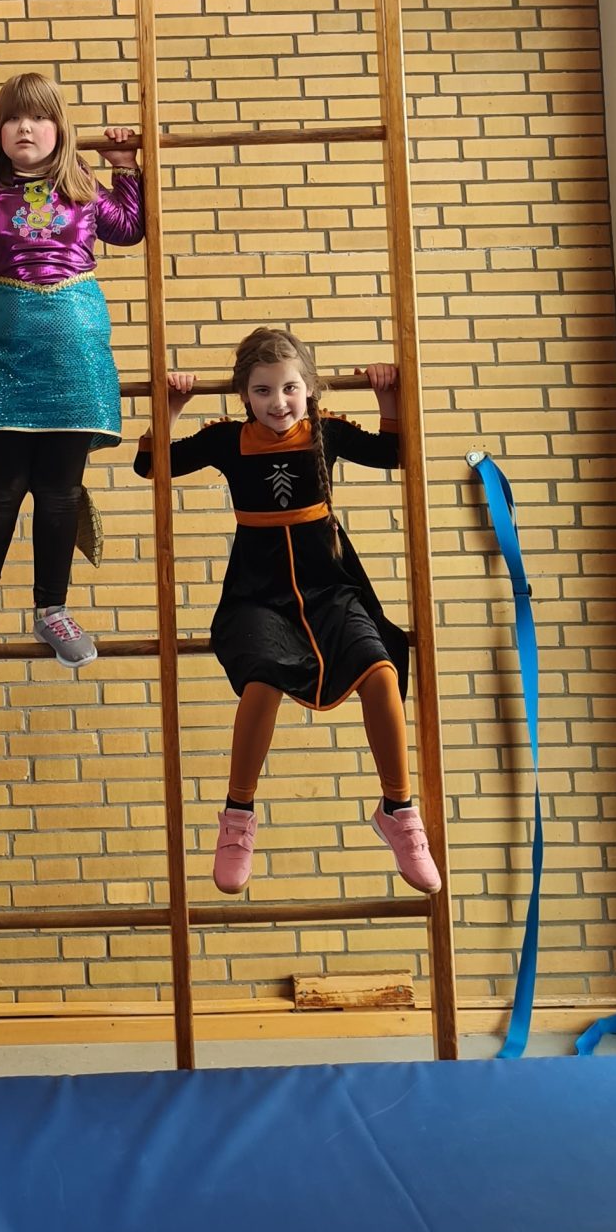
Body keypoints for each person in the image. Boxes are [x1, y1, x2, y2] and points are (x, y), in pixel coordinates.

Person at [134, 325, 440, 898]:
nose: (278, 403)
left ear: (311, 390)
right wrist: (168, 410)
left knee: (380, 670)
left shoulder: (326, 432)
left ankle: (398, 811)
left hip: (332, 586)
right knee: (263, 681)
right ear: (244, 396)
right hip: (258, 594)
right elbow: (152, 468)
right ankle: (237, 816)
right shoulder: (228, 439)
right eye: (263, 391)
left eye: (290, 388)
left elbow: (394, 454)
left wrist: (387, 399)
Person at [0, 75, 144, 668]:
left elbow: (128, 228)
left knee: (60, 492)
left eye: (40, 118)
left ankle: (53, 610)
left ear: (60, 130)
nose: (25, 128)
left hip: (76, 355)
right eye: (14, 118)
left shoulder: (81, 186)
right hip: (9, 357)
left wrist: (125, 167)